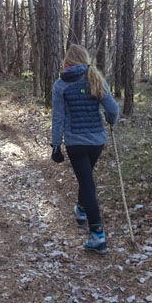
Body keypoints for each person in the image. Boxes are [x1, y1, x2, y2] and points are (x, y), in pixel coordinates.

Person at [50, 44, 119, 254]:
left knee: (87, 184)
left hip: (75, 143)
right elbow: (113, 109)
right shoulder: (95, 78)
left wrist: (55, 145)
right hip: (97, 141)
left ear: (67, 62)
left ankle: (98, 235)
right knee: (86, 179)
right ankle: (81, 210)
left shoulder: (60, 85)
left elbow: (58, 117)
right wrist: (111, 119)